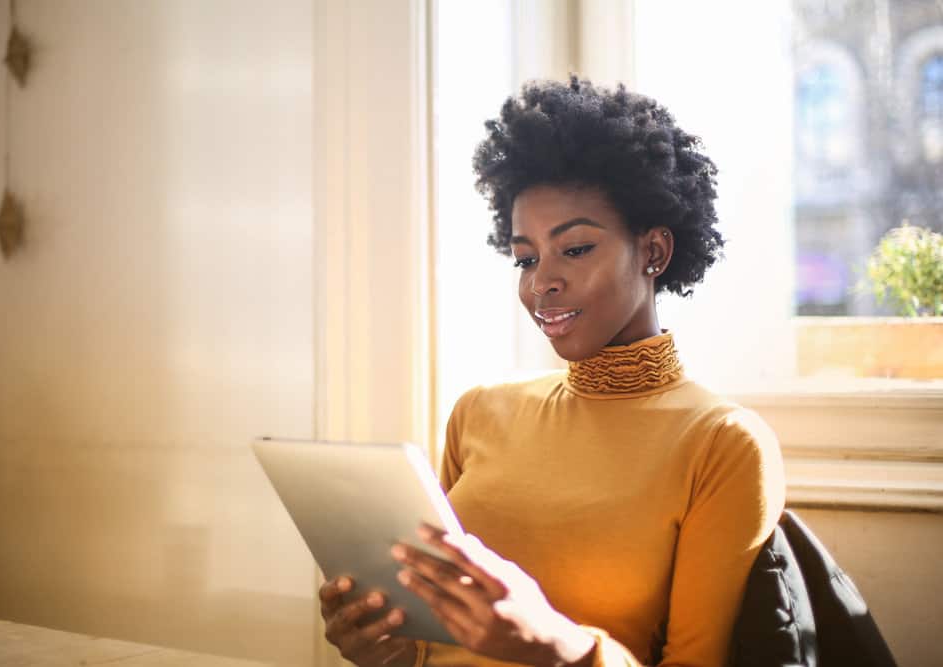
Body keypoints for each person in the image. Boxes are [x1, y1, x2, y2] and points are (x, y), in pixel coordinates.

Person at [317, 76, 786, 667]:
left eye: (577, 248)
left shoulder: (723, 443)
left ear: (654, 252)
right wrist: (383, 649)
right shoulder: (480, 411)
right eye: (526, 258)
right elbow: (429, 648)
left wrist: (558, 645)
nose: (542, 282)